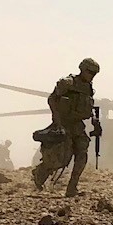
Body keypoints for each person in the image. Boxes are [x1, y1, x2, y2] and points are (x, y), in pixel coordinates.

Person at [32, 58, 101, 197]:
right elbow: (52, 99)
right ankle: (40, 173)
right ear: (82, 69)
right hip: (63, 123)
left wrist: (95, 122)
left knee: (82, 153)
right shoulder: (67, 83)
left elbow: (89, 106)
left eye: (94, 73)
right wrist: (57, 122)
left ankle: (72, 188)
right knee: (61, 158)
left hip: (77, 125)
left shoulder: (88, 88)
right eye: (89, 72)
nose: (91, 75)